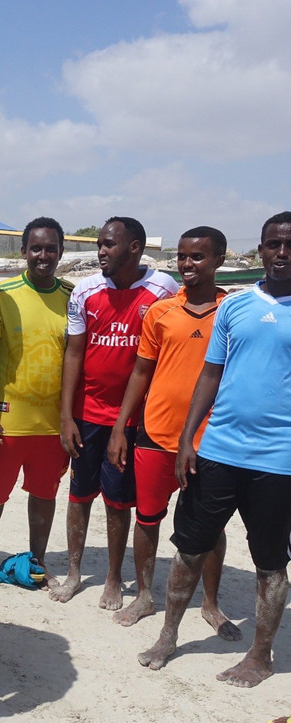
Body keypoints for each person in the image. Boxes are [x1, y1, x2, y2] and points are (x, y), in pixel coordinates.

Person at [138, 212, 291, 686]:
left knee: (270, 562)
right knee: (189, 547)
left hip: (278, 458)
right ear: (261, 250)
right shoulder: (236, 306)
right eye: (272, 244)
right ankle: (168, 635)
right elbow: (211, 374)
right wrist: (188, 439)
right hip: (218, 449)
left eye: (289, 244)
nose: (281, 252)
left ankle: (260, 655)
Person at [106, 227, 239, 638]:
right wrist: (119, 427)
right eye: (182, 256)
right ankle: (145, 594)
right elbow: (141, 372)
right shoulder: (161, 312)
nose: (187, 264)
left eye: (198, 257)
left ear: (218, 260)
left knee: (209, 527)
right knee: (147, 520)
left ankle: (210, 603)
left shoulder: (234, 312)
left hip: (210, 440)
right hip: (156, 435)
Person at [53, 217, 178, 606]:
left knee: (118, 501)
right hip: (88, 413)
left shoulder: (163, 290)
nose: (101, 251)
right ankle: (74, 572)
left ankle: (112, 577)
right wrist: (66, 415)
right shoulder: (86, 291)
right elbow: (73, 353)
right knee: (79, 494)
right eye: (100, 244)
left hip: (135, 420)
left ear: (135, 247)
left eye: (109, 244)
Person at [0, 218, 73, 592]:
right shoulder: (6, 295)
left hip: (51, 427)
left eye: (50, 248)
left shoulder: (71, 297)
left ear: (60, 252)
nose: (43, 256)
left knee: (44, 497)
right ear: (24, 251)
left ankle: (38, 561)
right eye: (36, 248)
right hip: (6, 422)